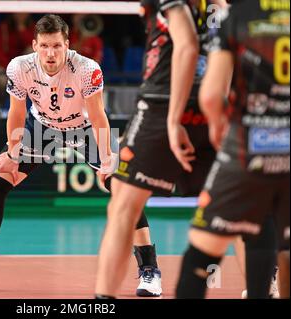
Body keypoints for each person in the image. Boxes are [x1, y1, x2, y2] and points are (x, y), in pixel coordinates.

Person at [0, 14, 157, 293]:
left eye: (56, 46)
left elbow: (98, 116)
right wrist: (14, 151)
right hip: (41, 129)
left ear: (67, 44)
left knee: (124, 190)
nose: (50, 53)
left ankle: (150, 271)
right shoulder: (20, 67)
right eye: (44, 46)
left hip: (84, 129)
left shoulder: (86, 68)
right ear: (34, 45)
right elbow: (16, 113)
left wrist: (108, 160)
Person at [94, 0, 218, 298]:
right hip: (213, 102)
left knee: (122, 201)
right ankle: (265, 285)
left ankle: (106, 298)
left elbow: (187, 46)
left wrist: (174, 119)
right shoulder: (220, 8)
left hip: (164, 104)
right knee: (236, 209)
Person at [176, 0, 289, 299]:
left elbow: (212, 95)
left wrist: (217, 127)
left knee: (202, 251)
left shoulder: (235, 15)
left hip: (249, 143)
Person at [0, 13, 35, 107]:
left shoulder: (33, 28)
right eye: (18, 12)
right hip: (6, 66)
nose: (21, 15)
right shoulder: (3, 28)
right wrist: (11, 68)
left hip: (25, 69)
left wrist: (22, 29)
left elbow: (35, 48)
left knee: (31, 50)